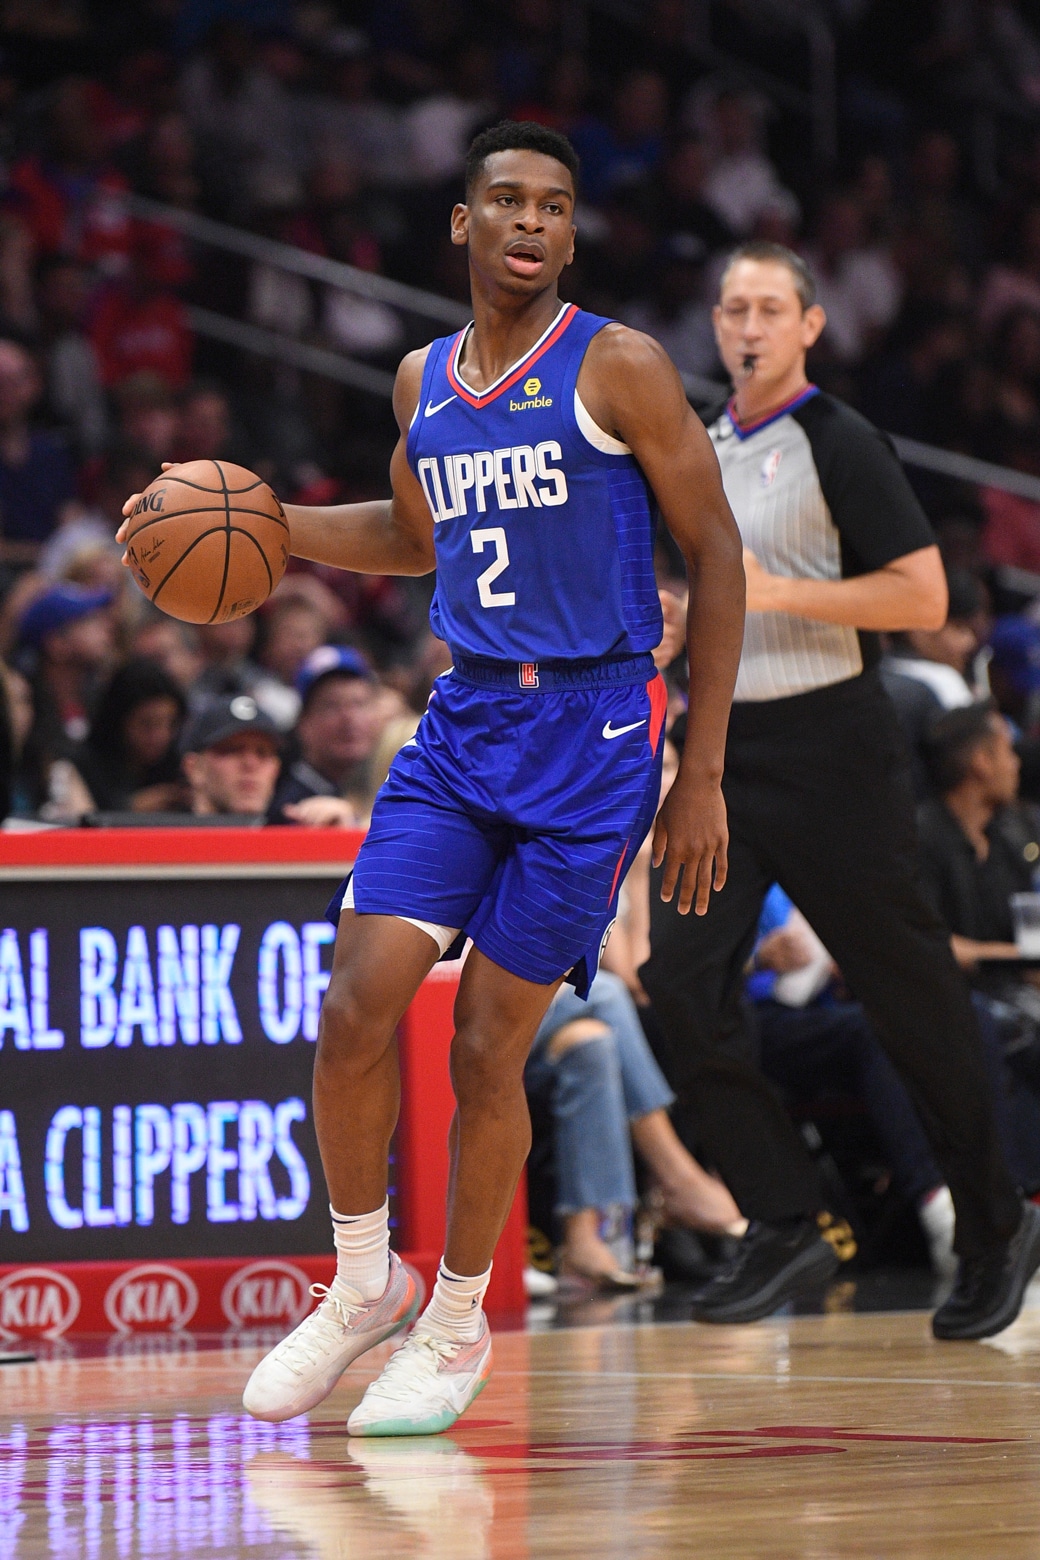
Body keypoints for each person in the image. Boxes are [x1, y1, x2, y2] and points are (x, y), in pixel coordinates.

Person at [123, 120, 745, 1435]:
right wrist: (269, 527)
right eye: (507, 201)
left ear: (572, 233)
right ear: (462, 225)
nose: (532, 223)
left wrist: (701, 769)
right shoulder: (421, 381)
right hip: (463, 727)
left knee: (484, 1048)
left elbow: (721, 555)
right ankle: (362, 1285)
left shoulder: (619, 366)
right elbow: (416, 537)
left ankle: (456, 1324)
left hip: (594, 739)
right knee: (356, 1005)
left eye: (557, 207)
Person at [641, 240, 1040, 1340]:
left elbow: (918, 595)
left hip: (832, 744)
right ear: (713, 327)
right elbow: (711, 598)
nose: (748, 325)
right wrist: (682, 618)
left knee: (905, 1000)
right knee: (677, 981)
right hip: (720, 747)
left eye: (770, 307)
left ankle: (996, 1219)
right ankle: (782, 1218)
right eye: (732, 308)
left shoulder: (838, 439)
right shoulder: (704, 443)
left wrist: (772, 590)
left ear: (809, 326)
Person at [525, 968, 746, 1290]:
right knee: (605, 992)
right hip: (456, 1018)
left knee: (591, 1042)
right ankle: (677, 1178)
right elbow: (630, 972)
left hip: (528, 1010)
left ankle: (586, 1240)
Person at [267, 645, 383, 828]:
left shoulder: (385, 784)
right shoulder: (292, 807)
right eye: (332, 706)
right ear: (304, 724)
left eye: (359, 704)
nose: (349, 718)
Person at [179, 695, 282, 819]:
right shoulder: (160, 835)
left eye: (262, 753)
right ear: (194, 769)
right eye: (232, 750)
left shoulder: (300, 833)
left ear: (276, 770)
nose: (251, 764)